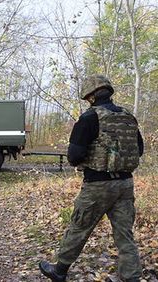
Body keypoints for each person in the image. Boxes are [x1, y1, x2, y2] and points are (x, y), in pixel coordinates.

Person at [38, 75, 144, 282]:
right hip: (125, 184)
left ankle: (59, 271)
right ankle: (132, 278)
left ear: (91, 96)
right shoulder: (128, 116)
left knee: (79, 226)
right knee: (125, 234)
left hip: (98, 185)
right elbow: (139, 149)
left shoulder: (89, 118)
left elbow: (74, 156)